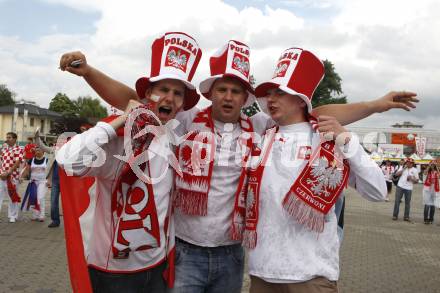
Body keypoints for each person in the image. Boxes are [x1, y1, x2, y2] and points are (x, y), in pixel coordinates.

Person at [60, 39, 418, 293]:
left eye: (236, 91)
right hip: (185, 251)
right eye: (222, 90)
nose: (229, 97)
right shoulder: (186, 121)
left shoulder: (262, 127)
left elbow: (314, 114)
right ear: (210, 93)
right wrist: (89, 72)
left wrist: (376, 105)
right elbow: (135, 102)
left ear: (246, 98)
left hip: (233, 255)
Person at [57, 32, 202, 292]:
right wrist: (121, 120)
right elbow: (67, 161)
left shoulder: (174, 133)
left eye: (177, 93)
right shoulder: (119, 140)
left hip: (157, 266)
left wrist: (90, 72)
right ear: (147, 95)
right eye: (163, 90)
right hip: (115, 272)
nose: (170, 98)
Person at [244, 47, 387, 293]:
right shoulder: (258, 134)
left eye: (280, 92)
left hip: (311, 276)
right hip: (261, 274)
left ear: (300, 99)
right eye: (269, 93)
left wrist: (348, 140)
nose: (271, 99)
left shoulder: (327, 141)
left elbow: (378, 192)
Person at [34, 129, 61, 228]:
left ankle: (71, 220)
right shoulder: (54, 150)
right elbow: (42, 146)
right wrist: (37, 137)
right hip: (55, 181)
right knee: (53, 201)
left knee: (68, 204)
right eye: (58, 140)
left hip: (68, 183)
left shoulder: (71, 152)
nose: (58, 142)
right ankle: (55, 220)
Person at [20, 146, 49, 221]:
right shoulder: (31, 160)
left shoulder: (47, 160)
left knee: (40, 197)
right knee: (33, 197)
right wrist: (22, 177)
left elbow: (49, 171)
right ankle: (35, 215)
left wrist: (50, 181)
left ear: (43, 152)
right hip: (33, 182)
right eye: (36, 151)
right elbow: (27, 170)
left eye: (39, 150)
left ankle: (41, 215)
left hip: (43, 182)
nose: (37, 152)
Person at [0, 132, 24, 223]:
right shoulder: (4, 149)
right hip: (2, 176)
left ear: (15, 139)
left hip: (12, 176)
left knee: (12, 196)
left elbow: (17, 163)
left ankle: (13, 215)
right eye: (6, 137)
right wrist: (2, 173)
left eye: (9, 137)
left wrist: (9, 172)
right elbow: (1, 162)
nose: (7, 139)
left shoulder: (18, 149)